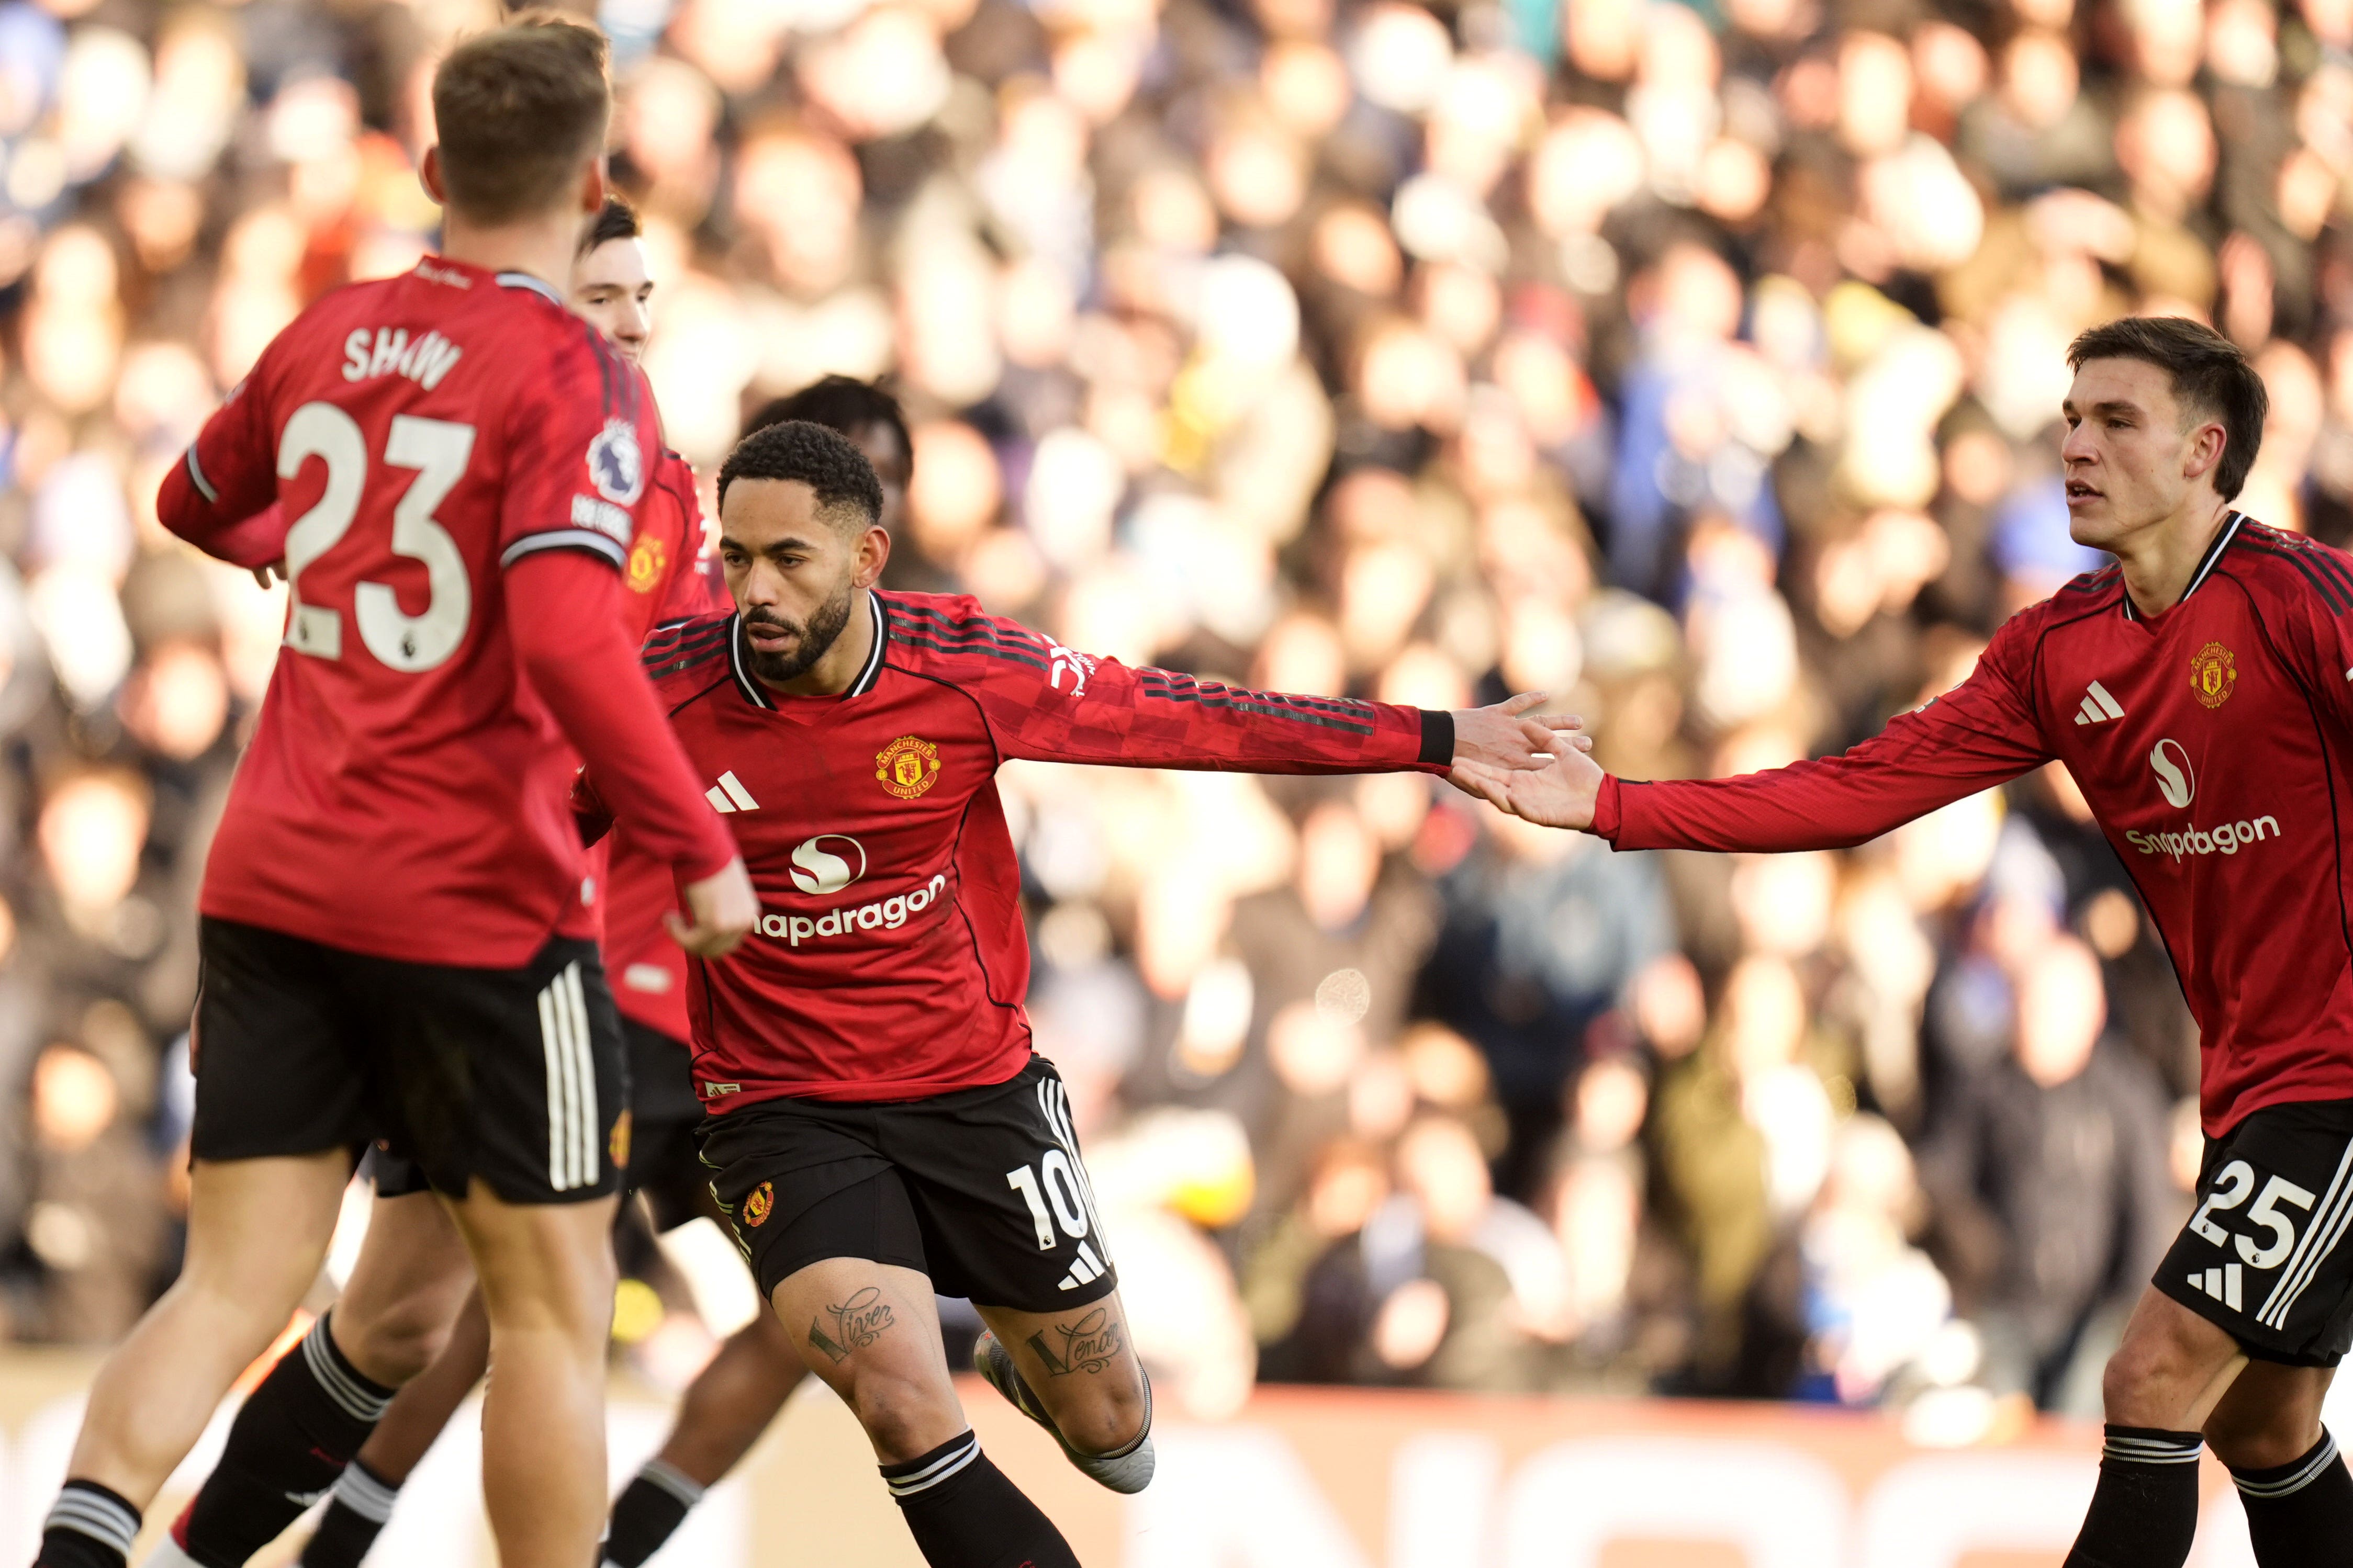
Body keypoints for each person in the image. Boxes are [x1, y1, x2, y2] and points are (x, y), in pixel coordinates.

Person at [587, 418, 1578, 1567]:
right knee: (900, 1396)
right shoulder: (665, 688)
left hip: (971, 1088)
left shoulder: (960, 668)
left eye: (789, 560)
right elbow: (516, 827)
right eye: (737, 556)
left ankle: (1031, 1349)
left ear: (868, 560)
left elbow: (1196, 718)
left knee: (1116, 1433)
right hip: (781, 1105)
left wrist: (1436, 737)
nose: (752, 589)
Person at [30, 20, 759, 1568]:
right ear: (592, 180)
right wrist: (698, 848)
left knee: (232, 1284)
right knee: (553, 1302)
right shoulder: (587, 380)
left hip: (277, 868)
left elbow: (192, 498)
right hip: (478, 904)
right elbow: (566, 628)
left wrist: (308, 555)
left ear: (434, 171)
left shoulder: (332, 331)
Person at [1467, 313, 2353, 1568]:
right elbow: (1857, 787)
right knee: (2263, 1418)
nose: (2076, 448)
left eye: (2115, 421)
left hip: (2339, 1077)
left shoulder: (2302, 601)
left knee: (2152, 1376)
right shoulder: (2058, 649)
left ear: (2207, 450)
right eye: (2069, 421)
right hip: (2256, 1078)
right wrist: (1616, 805)